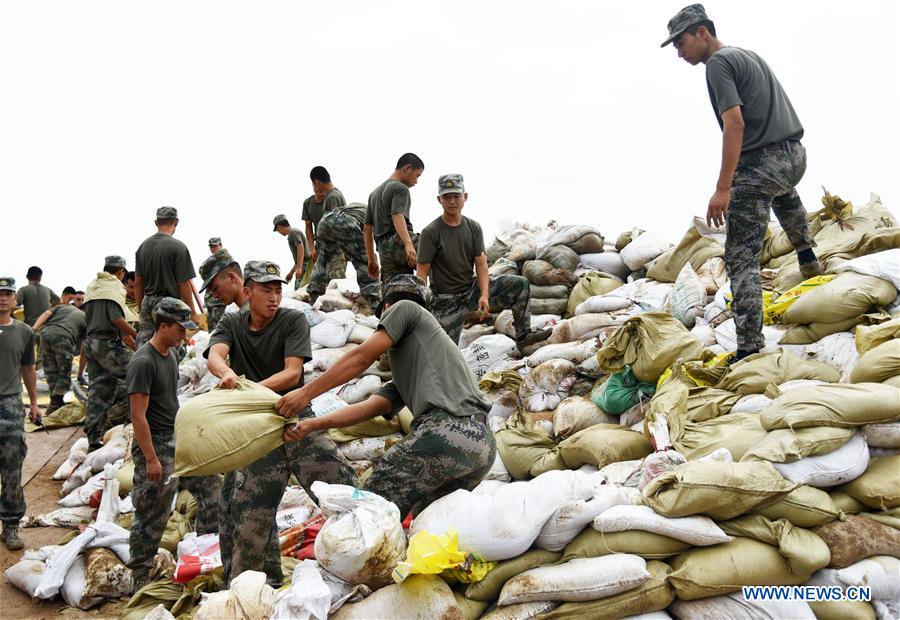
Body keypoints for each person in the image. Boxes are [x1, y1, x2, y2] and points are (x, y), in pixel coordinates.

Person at [662, 4, 821, 360]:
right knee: (782, 193)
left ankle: (749, 345)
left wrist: (723, 187)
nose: (679, 51)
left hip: (763, 160)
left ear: (703, 32)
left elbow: (735, 123)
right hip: (794, 156)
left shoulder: (718, 64)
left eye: (681, 42)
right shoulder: (747, 55)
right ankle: (809, 258)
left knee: (740, 257)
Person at [278, 274, 495, 518]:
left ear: (386, 310)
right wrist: (313, 424)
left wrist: (304, 394)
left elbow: (361, 358)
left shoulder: (405, 308)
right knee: (427, 525)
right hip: (482, 447)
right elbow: (370, 407)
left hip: (446, 431)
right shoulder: (415, 369)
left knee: (368, 512)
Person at [205, 261, 355, 585]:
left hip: (296, 422)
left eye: (277, 290)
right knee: (249, 519)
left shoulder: (292, 320)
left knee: (347, 493)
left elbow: (292, 373)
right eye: (265, 290)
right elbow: (215, 355)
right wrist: (225, 372)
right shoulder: (232, 323)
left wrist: (246, 389)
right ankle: (261, 587)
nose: (274, 297)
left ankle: (373, 555)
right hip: (257, 432)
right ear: (247, 292)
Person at [126, 297, 221, 591]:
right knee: (153, 510)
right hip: (156, 444)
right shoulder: (144, 361)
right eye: (180, 329)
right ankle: (139, 571)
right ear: (163, 325)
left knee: (212, 491)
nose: (185, 335)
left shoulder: (171, 355)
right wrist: (151, 459)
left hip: (179, 439)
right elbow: (138, 417)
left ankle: (203, 552)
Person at [417, 174, 550, 352]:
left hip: (471, 290)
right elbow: (421, 274)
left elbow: (481, 265)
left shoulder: (473, 227)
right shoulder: (431, 232)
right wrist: (422, 307)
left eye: (456, 196)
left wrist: (485, 295)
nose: (452, 201)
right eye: (447, 197)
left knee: (520, 285)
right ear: (439, 200)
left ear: (465, 197)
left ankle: (523, 335)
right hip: (445, 301)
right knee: (442, 353)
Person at [0, 276, 42, 550]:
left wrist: (35, 404)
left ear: (16, 299)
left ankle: (11, 525)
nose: (2, 298)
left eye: (7, 293)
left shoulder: (25, 332)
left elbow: (28, 369)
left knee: (12, 468)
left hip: (11, 405)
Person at [81, 256, 138, 450]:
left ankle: (93, 439)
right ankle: (135, 423)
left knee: (99, 391)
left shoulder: (93, 287)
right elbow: (115, 319)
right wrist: (135, 333)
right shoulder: (113, 288)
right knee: (138, 371)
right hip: (107, 343)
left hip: (91, 343)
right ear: (121, 272)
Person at [134, 206, 199, 345]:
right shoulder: (178, 247)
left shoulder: (142, 247)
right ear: (176, 222)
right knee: (170, 348)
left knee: (145, 346)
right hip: (168, 305)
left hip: (147, 302)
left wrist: (142, 310)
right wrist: (192, 312)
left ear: (156, 222)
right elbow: (184, 283)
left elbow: (138, 283)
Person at [364, 153, 425, 286]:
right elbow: (397, 214)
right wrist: (408, 243)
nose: (416, 181)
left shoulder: (373, 194)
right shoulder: (400, 188)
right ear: (407, 168)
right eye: (417, 175)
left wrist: (371, 259)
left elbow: (367, 229)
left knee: (396, 291)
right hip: (399, 240)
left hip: (384, 250)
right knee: (437, 257)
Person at [307, 202, 381, 310]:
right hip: (344, 221)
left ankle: (313, 295)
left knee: (323, 259)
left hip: (325, 221)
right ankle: (375, 305)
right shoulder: (378, 215)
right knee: (368, 261)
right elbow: (368, 234)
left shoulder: (360, 207)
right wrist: (371, 259)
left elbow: (346, 242)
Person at [32, 291, 87, 414]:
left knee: (50, 371)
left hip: (45, 334)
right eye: (79, 299)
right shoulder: (86, 317)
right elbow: (85, 348)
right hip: (63, 336)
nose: (80, 302)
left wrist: (34, 328)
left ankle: (56, 403)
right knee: (64, 374)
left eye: (82, 300)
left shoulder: (61, 307)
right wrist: (80, 373)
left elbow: (46, 313)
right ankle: (56, 402)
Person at [302, 166, 347, 265]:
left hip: (334, 250)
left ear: (317, 182)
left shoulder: (333, 197)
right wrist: (312, 249)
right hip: (323, 249)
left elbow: (337, 227)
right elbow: (308, 227)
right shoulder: (308, 203)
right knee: (317, 279)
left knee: (334, 280)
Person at [273, 215, 311, 289]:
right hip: (304, 264)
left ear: (279, 227)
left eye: (278, 230)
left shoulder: (293, 232)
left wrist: (299, 268)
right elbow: (299, 258)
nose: (279, 232)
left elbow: (300, 247)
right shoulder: (293, 233)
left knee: (299, 291)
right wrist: (291, 273)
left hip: (305, 266)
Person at [204, 237, 227, 332]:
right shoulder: (210, 261)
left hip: (219, 300)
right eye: (211, 247)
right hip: (210, 301)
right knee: (211, 329)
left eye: (215, 246)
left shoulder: (225, 260)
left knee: (219, 328)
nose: (213, 249)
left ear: (220, 245)